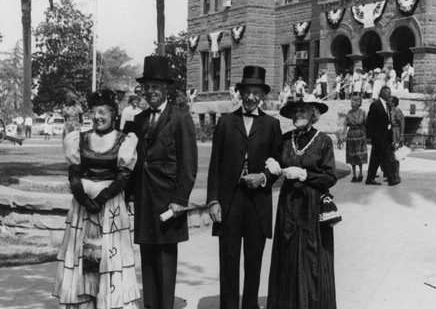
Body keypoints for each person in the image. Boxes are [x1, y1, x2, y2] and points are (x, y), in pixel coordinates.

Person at [53, 88, 140, 309]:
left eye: (103, 112)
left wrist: (101, 199)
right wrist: (84, 199)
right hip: (83, 210)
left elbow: (123, 176)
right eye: (93, 112)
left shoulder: (124, 141)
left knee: (108, 259)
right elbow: (74, 173)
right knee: (84, 258)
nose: (97, 117)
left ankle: (109, 302)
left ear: (113, 114)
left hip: (109, 208)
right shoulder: (79, 139)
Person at [207, 65, 283, 309]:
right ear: (239, 93)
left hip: (257, 201)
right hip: (230, 201)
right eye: (247, 92)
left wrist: (263, 178)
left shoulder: (272, 124)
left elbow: (278, 162)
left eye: (256, 93)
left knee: (254, 260)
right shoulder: (226, 122)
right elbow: (214, 166)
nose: (251, 98)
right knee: (228, 260)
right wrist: (213, 200)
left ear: (263, 95)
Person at [127, 56, 198, 309]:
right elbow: (133, 161)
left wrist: (180, 199)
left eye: (156, 86)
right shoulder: (139, 119)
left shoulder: (180, 117)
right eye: (147, 86)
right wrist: (129, 197)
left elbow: (188, 164)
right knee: (147, 259)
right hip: (145, 198)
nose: (151, 91)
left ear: (166, 87)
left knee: (166, 261)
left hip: (169, 201)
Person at [267, 95, 337, 309]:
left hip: (313, 206)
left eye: (303, 111)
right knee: (288, 254)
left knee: (311, 256)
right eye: (295, 111)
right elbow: (276, 160)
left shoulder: (323, 141)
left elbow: (330, 176)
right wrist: (271, 161)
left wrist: (305, 175)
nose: (298, 115)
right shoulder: (287, 139)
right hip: (288, 205)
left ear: (313, 115)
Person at [365, 86, 399, 186]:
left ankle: (370, 178)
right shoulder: (375, 105)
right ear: (383, 93)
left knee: (375, 159)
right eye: (388, 93)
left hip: (385, 137)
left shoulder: (387, 106)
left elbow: (388, 123)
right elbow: (370, 122)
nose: (390, 95)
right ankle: (391, 179)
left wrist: (390, 137)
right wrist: (369, 136)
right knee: (386, 158)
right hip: (378, 137)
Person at [343, 95, 368, 182]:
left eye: (353, 102)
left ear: (358, 103)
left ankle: (360, 173)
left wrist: (367, 135)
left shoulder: (363, 112)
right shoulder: (349, 113)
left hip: (360, 135)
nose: (352, 104)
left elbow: (366, 124)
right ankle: (354, 174)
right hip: (351, 136)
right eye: (351, 102)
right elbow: (345, 124)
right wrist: (343, 134)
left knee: (359, 154)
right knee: (352, 154)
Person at [390, 96, 405, 182]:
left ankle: (397, 175)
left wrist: (401, 135)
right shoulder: (390, 110)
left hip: (396, 132)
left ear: (393, 103)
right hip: (390, 132)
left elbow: (402, 122)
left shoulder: (397, 110)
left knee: (396, 155)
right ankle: (391, 174)